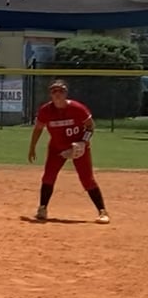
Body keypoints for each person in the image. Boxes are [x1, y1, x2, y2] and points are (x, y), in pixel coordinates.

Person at [28, 79, 107, 224]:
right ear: (50, 94)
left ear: (66, 93)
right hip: (57, 148)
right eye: (54, 91)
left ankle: (102, 211)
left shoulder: (77, 108)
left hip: (78, 148)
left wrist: (83, 142)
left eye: (61, 91)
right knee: (48, 177)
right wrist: (32, 147)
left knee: (87, 179)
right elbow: (38, 128)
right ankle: (42, 208)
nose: (57, 94)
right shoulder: (45, 110)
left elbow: (90, 126)